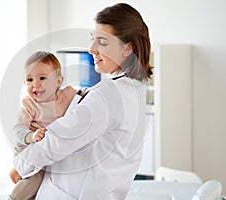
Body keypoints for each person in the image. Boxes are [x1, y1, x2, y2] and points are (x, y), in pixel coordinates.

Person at [12, 3, 153, 199]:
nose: (92, 49)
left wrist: (20, 164)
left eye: (102, 42)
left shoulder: (109, 94)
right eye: (92, 40)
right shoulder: (134, 88)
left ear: (126, 49)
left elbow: (57, 141)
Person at [9, 51, 79, 200]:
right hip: (27, 148)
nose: (36, 84)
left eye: (42, 78)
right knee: (35, 180)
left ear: (58, 82)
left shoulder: (67, 95)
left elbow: (84, 99)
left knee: (43, 188)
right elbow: (18, 128)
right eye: (29, 79)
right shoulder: (29, 104)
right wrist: (31, 136)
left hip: (49, 147)